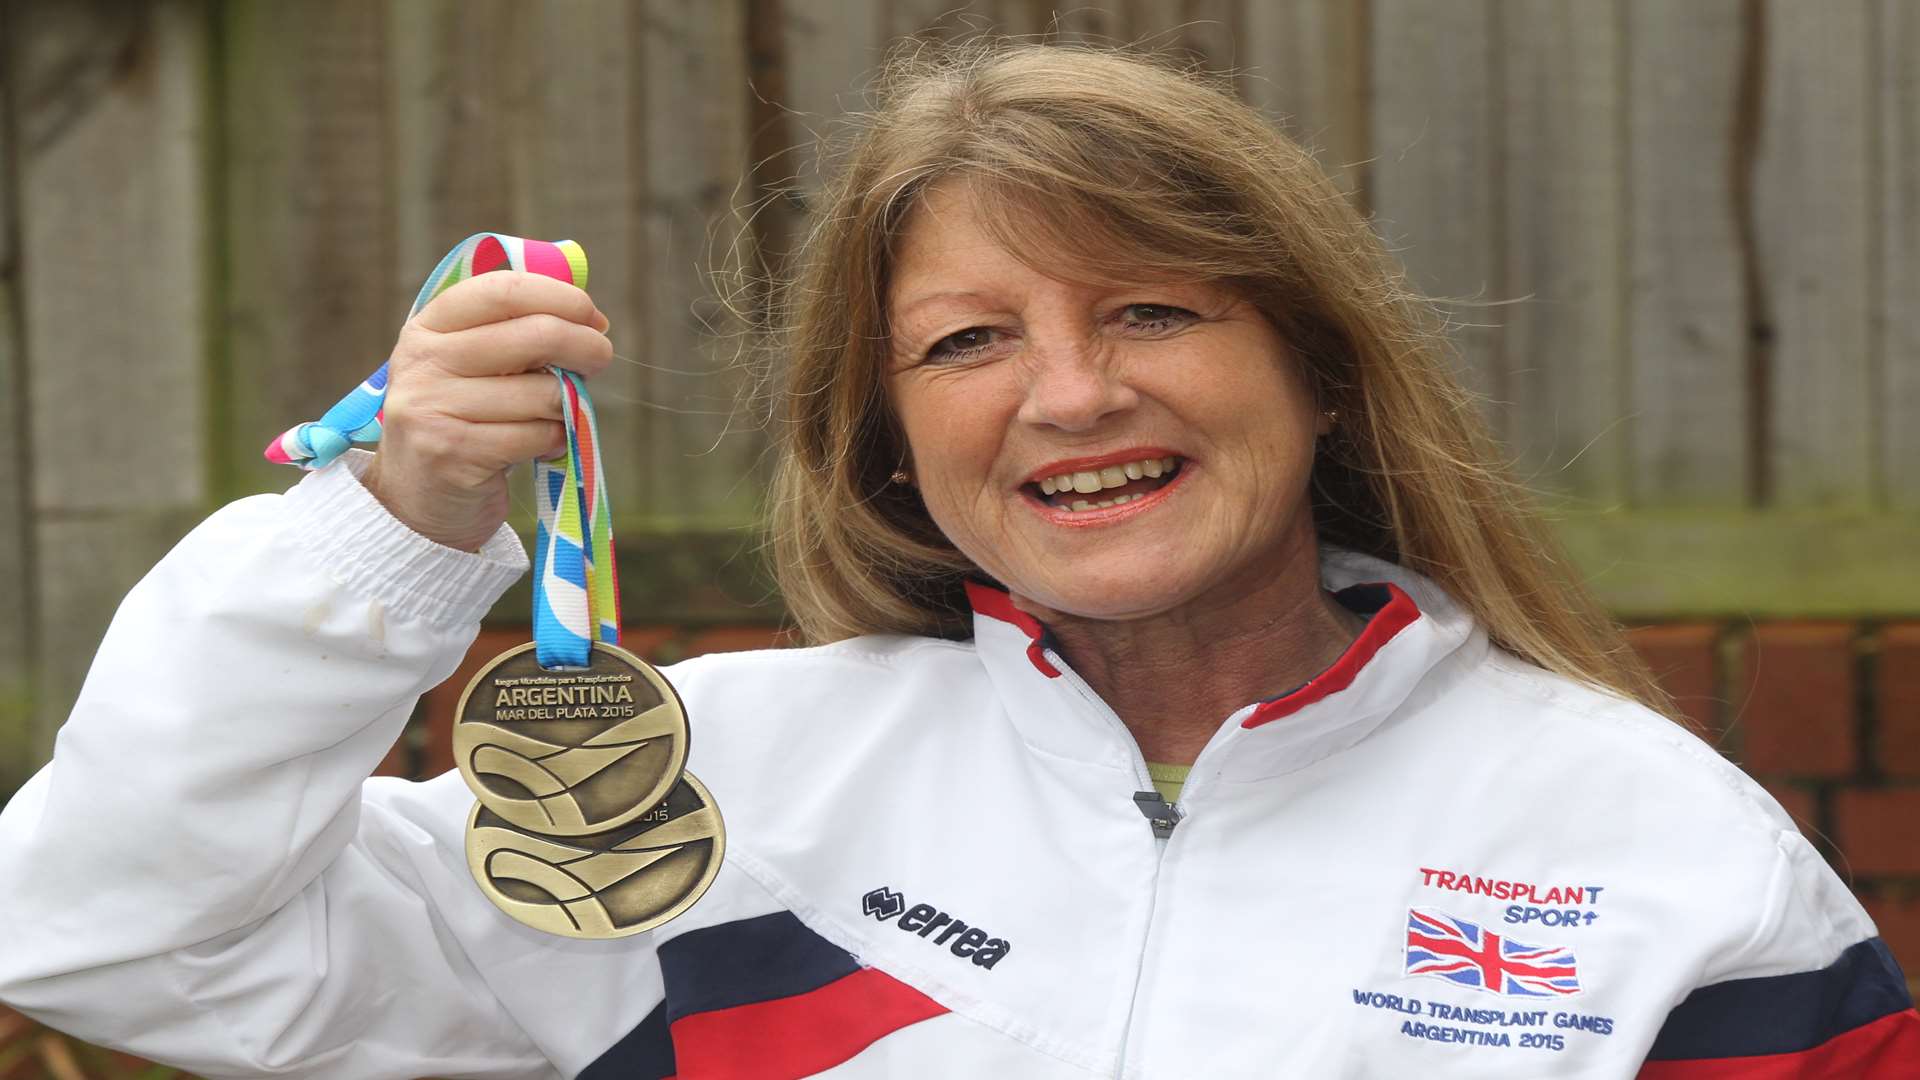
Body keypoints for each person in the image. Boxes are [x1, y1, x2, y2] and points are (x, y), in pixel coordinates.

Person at [1, 40, 1916, 1079]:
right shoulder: (702, 795)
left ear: (1320, 371)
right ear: (894, 447)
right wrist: (390, 529)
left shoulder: (1650, 847)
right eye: (968, 342)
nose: (1070, 394)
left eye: (1154, 311)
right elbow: (107, 934)